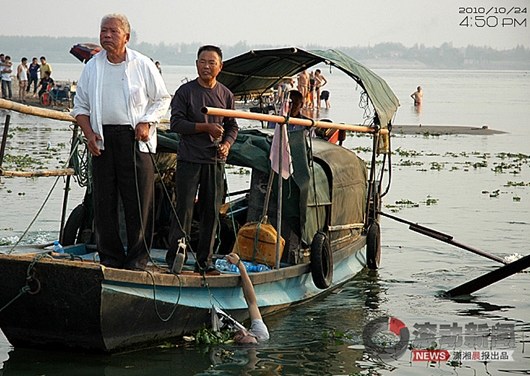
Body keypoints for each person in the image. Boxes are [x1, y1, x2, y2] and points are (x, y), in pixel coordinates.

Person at [72, 13, 171, 270]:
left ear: (126, 37)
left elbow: (162, 99)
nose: (106, 35)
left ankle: (138, 258)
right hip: (103, 139)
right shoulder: (93, 66)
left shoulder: (142, 64)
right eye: (103, 31)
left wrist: (146, 122)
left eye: (113, 31)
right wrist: (88, 133)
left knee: (138, 200)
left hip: (136, 140)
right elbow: (80, 106)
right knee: (104, 201)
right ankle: (110, 256)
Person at [166, 45, 238, 274]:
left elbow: (233, 126)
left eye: (211, 63)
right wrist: (204, 127)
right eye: (202, 62)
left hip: (214, 161)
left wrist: (226, 144)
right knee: (184, 210)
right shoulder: (185, 92)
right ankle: (175, 258)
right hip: (189, 159)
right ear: (196, 64)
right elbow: (176, 124)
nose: (206, 67)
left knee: (210, 212)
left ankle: (204, 262)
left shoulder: (225, 94)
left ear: (220, 66)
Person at [225, 252, 270, 344]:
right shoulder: (261, 333)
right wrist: (240, 266)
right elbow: (251, 302)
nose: (242, 332)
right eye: (247, 334)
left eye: (240, 337)